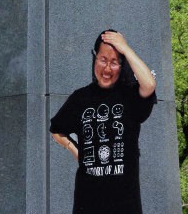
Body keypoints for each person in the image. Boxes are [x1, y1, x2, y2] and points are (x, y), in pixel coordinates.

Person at [50, 29, 156, 214]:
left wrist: (126, 48)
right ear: (94, 59)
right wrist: (76, 151)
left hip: (125, 205)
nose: (107, 69)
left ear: (122, 65)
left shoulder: (129, 96)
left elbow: (149, 84)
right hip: (88, 202)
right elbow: (56, 129)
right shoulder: (80, 98)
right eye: (103, 60)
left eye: (114, 62)